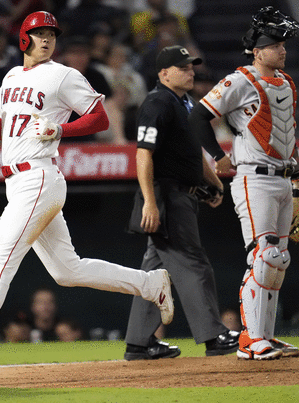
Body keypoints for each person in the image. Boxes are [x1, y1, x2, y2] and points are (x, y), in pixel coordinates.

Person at [0, 11, 173, 371]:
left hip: (38, 178)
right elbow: (8, 134)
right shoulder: (10, 77)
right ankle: (149, 283)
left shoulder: (63, 74)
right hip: (18, 179)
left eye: (51, 33)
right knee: (67, 271)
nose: (46, 39)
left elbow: (98, 117)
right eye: (38, 33)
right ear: (24, 38)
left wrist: (60, 130)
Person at [188, 6, 299, 360]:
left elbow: (289, 135)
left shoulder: (286, 82)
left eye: (284, 44)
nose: (283, 50)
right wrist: (217, 155)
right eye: (276, 45)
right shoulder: (240, 80)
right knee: (265, 254)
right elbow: (199, 115)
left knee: (279, 258)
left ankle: (265, 337)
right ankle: (248, 340)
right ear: (258, 51)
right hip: (254, 179)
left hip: (283, 177)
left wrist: (298, 177)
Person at [123, 45, 238, 361]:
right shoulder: (157, 102)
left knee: (154, 274)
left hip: (182, 194)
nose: (191, 72)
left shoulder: (185, 103)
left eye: (191, 67)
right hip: (166, 197)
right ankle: (214, 335)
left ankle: (139, 342)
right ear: (164, 73)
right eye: (183, 67)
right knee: (192, 262)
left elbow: (193, 152)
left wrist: (213, 183)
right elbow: (143, 154)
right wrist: (149, 202)